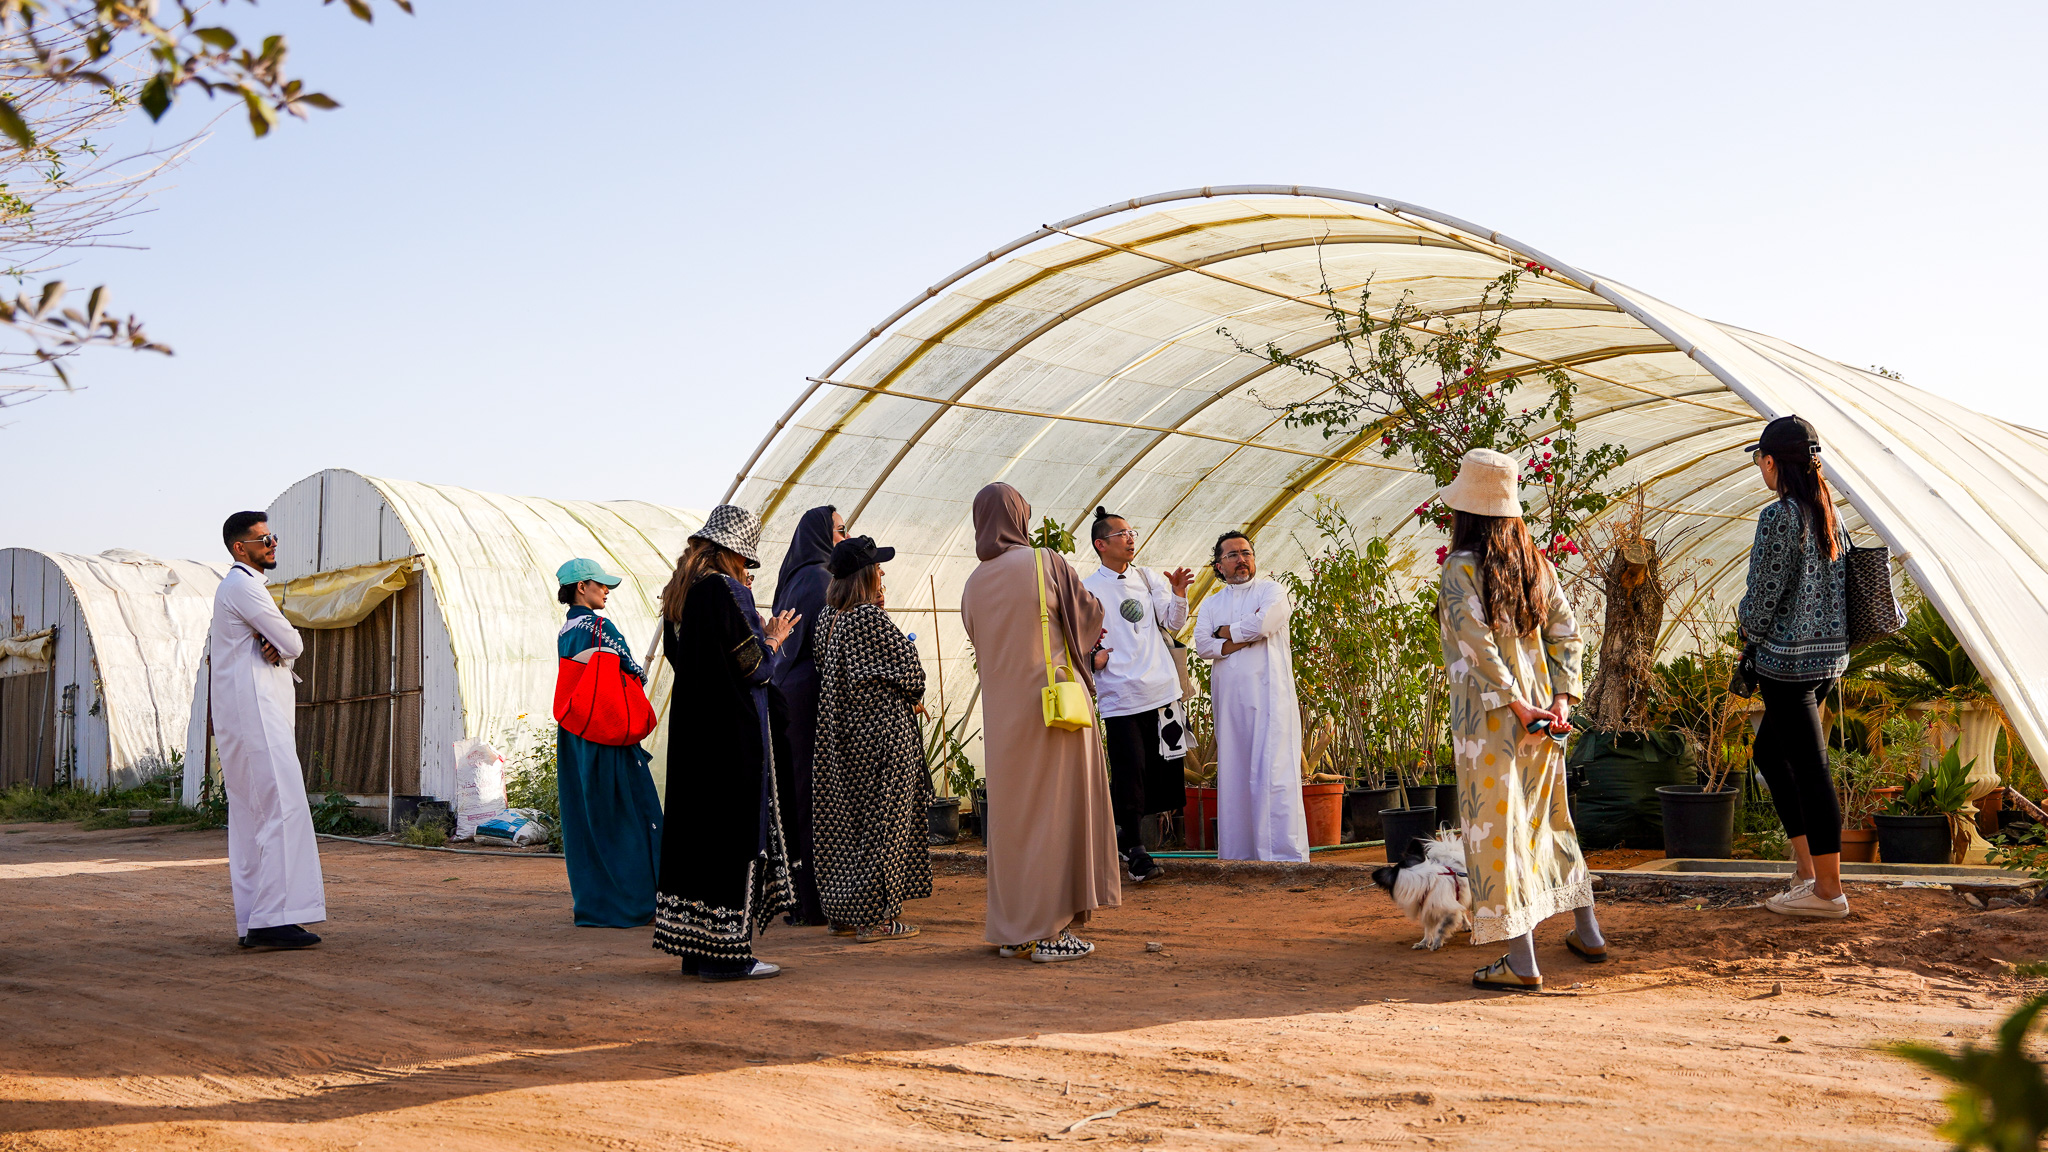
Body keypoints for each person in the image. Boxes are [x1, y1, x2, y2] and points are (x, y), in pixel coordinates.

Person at [1435, 448, 1602, 992]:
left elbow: (1476, 644)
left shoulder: (1461, 567)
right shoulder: (1536, 565)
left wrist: (1514, 704)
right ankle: (1589, 933)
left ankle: (1522, 962)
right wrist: (1560, 702)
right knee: (1551, 820)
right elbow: (1567, 634)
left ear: (1466, 509)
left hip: (1490, 723)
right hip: (1544, 718)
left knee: (1496, 834)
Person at [958, 483, 1120, 962]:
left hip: (1003, 719)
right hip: (1053, 711)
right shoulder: (1043, 561)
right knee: (1056, 814)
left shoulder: (972, 584)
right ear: (1019, 518)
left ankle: (1016, 931)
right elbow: (1089, 616)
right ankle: (1051, 932)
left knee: (1014, 822)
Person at [652, 505, 801, 981]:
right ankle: (729, 958)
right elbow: (754, 666)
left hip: (694, 732)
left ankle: (697, 952)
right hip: (732, 734)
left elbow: (685, 660)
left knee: (699, 836)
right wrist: (774, 638)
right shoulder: (725, 590)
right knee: (733, 837)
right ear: (736, 553)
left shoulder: (681, 593)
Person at [1739, 415, 1852, 919]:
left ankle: (1828, 892)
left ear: (1771, 461)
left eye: (1760, 461)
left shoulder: (1779, 515)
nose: (1760, 469)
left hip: (1787, 665)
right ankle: (1809, 873)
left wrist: (1746, 631)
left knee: (1810, 770)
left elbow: (1763, 597)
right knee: (1770, 752)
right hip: (1826, 660)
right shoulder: (1828, 510)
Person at [208, 512, 325, 950]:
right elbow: (293, 643)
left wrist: (279, 645)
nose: (272, 544)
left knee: (252, 818)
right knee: (281, 809)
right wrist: (284, 644)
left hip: (245, 717)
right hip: (256, 716)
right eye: (262, 539)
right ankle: (273, 918)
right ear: (240, 548)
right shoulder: (243, 586)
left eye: (272, 536)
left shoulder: (237, 587)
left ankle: (255, 918)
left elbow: (281, 646)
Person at [811, 535, 933, 943]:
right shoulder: (868, 618)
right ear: (865, 575)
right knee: (885, 826)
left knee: (847, 828)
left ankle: (843, 912)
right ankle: (876, 918)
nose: (882, 572)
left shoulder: (828, 618)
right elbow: (912, 672)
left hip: (843, 738)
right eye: (877, 567)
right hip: (882, 738)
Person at [1082, 506, 1194, 884]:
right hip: (1120, 695)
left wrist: (1178, 594)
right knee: (1129, 772)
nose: (1130, 539)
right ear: (1101, 544)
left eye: (1132, 532)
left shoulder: (1147, 578)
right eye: (1122, 534)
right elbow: (1074, 637)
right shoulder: (1086, 589)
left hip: (1162, 691)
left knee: (1161, 774)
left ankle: (1127, 839)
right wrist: (1092, 659)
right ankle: (1135, 849)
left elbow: (1173, 623)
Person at [553, 558, 664, 928]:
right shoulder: (599, 626)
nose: (606, 591)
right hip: (606, 727)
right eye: (600, 585)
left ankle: (598, 903)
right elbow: (631, 669)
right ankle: (638, 901)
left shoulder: (566, 630)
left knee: (589, 817)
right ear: (581, 587)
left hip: (576, 731)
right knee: (628, 814)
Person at [1193, 530, 1309, 862]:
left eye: (1246, 553)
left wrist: (1225, 633)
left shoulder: (1272, 591)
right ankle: (1239, 857)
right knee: (1235, 774)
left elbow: (1265, 624)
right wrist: (1246, 631)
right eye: (1232, 555)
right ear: (1219, 565)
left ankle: (1283, 857)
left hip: (1272, 698)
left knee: (1274, 771)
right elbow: (1203, 646)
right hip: (1231, 703)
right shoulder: (1212, 603)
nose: (1241, 559)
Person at [769, 505, 847, 927]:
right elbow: (830, 647)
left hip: (787, 697)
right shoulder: (820, 579)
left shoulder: (793, 579)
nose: (844, 538)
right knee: (818, 800)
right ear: (820, 536)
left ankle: (799, 897)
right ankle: (817, 900)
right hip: (811, 698)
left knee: (795, 797)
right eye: (840, 531)